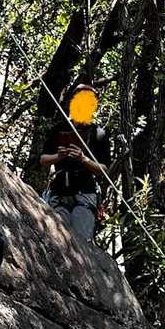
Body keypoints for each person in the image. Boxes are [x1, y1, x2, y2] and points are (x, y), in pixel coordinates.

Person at [39, 83, 110, 241]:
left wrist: (83, 159)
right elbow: (43, 159)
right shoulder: (59, 129)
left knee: (81, 241)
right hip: (59, 190)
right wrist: (59, 156)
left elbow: (104, 169)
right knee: (57, 240)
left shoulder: (99, 133)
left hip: (85, 192)